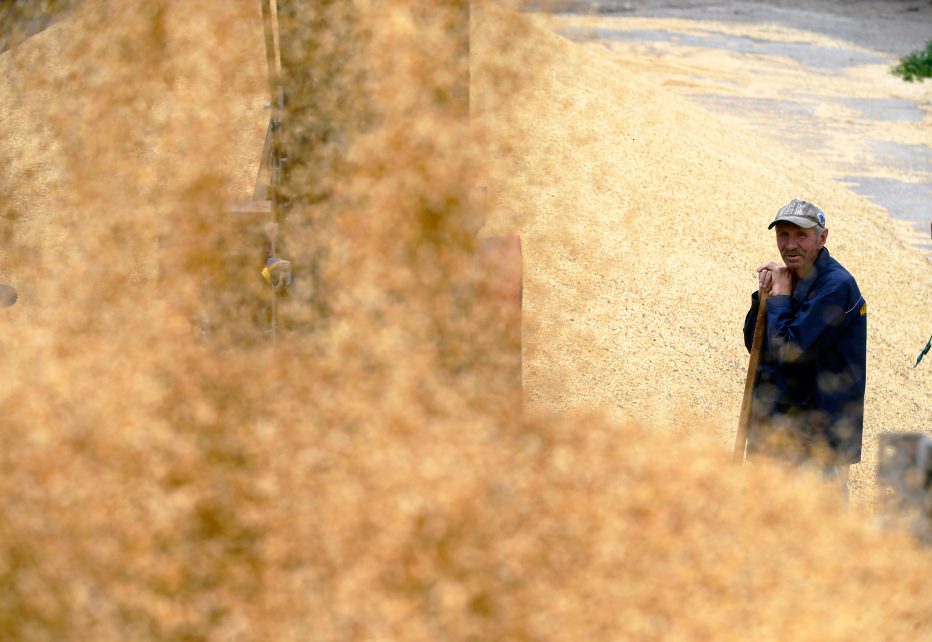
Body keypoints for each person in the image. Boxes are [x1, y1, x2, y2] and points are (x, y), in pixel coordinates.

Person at [743, 199, 867, 487]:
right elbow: (757, 347)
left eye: (801, 235)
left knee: (819, 527)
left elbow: (790, 353)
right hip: (777, 427)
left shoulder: (836, 286)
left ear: (822, 237)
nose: (790, 244)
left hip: (817, 439)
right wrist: (763, 298)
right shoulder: (788, 277)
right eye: (783, 234)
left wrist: (783, 297)